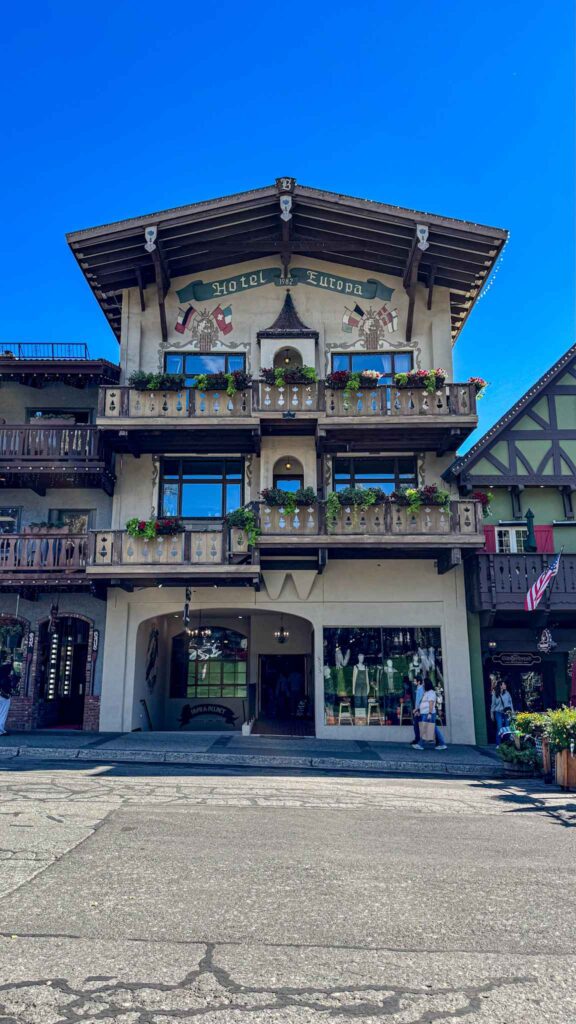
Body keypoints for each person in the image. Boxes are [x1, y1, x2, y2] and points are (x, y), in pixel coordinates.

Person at [412, 677, 447, 750]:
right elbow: (422, 702)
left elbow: (431, 703)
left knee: (426, 729)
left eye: (424, 683)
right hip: (424, 713)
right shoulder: (426, 692)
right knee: (433, 728)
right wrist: (418, 710)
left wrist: (430, 713)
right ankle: (442, 743)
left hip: (428, 713)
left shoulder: (431, 692)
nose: (423, 685)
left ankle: (420, 744)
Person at [491, 680, 514, 745]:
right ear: (500, 686)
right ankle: (498, 744)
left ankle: (507, 744)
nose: (505, 686)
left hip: (507, 712)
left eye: (505, 684)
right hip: (498, 712)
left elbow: (510, 703)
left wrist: (512, 712)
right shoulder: (495, 694)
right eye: (504, 684)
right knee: (499, 728)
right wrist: (492, 714)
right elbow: (493, 705)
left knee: (507, 728)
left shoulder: (507, 693)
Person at [0, 657, 16, 736]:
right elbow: (7, 686)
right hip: (4, 696)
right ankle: (1, 730)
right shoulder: (6, 678)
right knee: (3, 713)